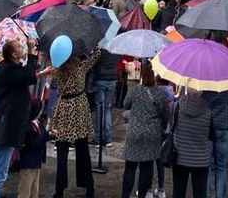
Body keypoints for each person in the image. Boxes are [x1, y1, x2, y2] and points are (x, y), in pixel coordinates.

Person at [0, 36, 37, 198]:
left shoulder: (7, 67)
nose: (22, 47)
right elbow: (28, 78)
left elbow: (26, 74)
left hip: (0, 126)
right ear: (13, 55)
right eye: (18, 46)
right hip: (6, 129)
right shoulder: (10, 71)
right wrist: (32, 52)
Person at [48, 49, 100, 198]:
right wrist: (93, 46)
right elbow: (96, 55)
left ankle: (59, 190)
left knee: (62, 150)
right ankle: (89, 187)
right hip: (79, 108)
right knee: (83, 149)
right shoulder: (81, 67)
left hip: (64, 108)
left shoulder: (58, 71)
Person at [121, 63, 169, 198]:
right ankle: (142, 195)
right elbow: (165, 114)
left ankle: (125, 195)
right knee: (146, 168)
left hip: (134, 132)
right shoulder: (160, 94)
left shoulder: (136, 90)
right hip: (152, 134)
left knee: (130, 167)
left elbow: (125, 104)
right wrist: (163, 127)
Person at [172, 89, 212, 198]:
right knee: (200, 193)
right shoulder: (208, 111)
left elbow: (171, 126)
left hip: (180, 156)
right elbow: (211, 135)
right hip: (201, 159)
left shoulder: (177, 106)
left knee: (178, 191)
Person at [201, 87, 228, 198]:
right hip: (223, 125)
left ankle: (206, 195)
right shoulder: (227, 83)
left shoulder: (205, 84)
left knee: (207, 166)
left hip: (207, 125)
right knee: (221, 166)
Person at [17, 99, 48, 198]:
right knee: (24, 192)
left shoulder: (39, 124)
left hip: (36, 163)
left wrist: (51, 135)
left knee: (35, 191)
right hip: (27, 164)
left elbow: (43, 136)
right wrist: (46, 136)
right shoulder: (27, 127)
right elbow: (33, 143)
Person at [91, 48, 117, 147]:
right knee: (107, 109)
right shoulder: (115, 47)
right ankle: (108, 138)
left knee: (100, 109)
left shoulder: (100, 49)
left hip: (101, 78)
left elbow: (93, 61)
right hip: (112, 79)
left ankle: (98, 138)